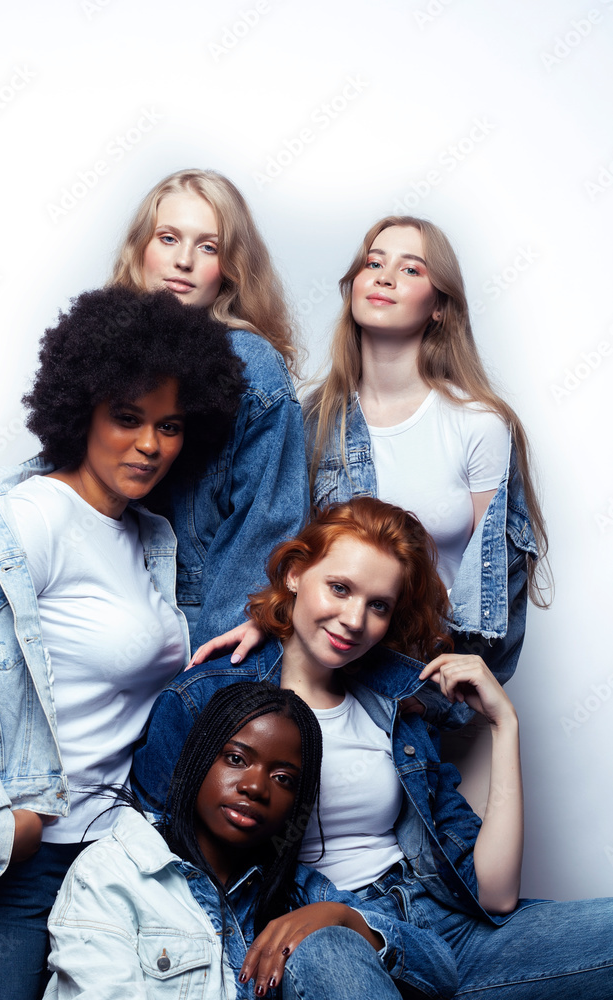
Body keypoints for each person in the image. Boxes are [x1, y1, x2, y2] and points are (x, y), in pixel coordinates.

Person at [0, 286, 245, 1000]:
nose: (150, 445)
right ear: (80, 411)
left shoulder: (152, 539)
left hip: (111, 856)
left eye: (169, 426)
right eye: (127, 418)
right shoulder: (30, 521)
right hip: (10, 861)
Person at [133, 498, 613, 999]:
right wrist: (341, 917)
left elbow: (494, 894)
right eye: (339, 588)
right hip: (318, 936)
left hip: (438, 928)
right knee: (328, 952)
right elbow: (156, 853)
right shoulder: (207, 698)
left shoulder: (395, 705)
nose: (353, 619)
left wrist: (504, 724)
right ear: (295, 574)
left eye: (378, 605)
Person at [198, 216, 549, 725]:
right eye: (374, 263)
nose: (385, 276)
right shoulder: (312, 419)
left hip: (429, 693)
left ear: (440, 306)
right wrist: (263, 619)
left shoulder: (480, 424)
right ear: (354, 287)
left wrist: (441, 700)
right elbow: (286, 545)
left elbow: (499, 588)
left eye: (411, 269)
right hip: (324, 684)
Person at [44, 681, 459, 999]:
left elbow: (442, 971)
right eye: (236, 759)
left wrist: (344, 917)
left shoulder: (296, 890)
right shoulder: (112, 873)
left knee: (330, 944)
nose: (256, 788)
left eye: (283, 779)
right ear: (199, 759)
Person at [108, 168, 309, 650]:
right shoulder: (102, 345)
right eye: (168, 238)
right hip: (104, 611)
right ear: (140, 248)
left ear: (231, 267)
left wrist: (208, 671)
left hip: (196, 620)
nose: (183, 261)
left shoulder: (250, 365)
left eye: (208, 247)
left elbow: (264, 525)